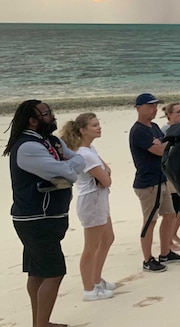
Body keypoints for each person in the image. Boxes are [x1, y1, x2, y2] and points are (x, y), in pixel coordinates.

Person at [3, 100, 86, 327]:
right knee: (54, 272)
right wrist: (71, 168)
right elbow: (66, 170)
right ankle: (41, 324)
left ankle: (40, 322)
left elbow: (77, 159)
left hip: (49, 217)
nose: (52, 116)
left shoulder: (51, 141)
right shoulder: (28, 147)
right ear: (32, 120)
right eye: (46, 113)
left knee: (37, 272)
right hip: (36, 219)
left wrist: (71, 167)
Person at [59, 113, 116, 301]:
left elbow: (106, 171)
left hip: (99, 199)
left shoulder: (90, 149)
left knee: (108, 238)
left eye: (98, 124)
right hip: (91, 201)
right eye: (94, 125)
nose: (99, 127)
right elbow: (106, 179)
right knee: (91, 246)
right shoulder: (83, 153)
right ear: (82, 130)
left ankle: (96, 279)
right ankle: (88, 289)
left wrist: (105, 173)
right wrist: (105, 174)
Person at [129, 93, 180, 273]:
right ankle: (148, 259)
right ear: (139, 108)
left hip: (161, 179)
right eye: (150, 106)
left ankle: (165, 253)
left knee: (169, 215)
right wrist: (162, 146)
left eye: (155, 106)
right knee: (150, 221)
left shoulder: (154, 126)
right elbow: (161, 150)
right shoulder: (138, 130)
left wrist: (162, 145)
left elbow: (164, 145)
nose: (154, 109)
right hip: (148, 182)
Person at [161, 102, 180, 250]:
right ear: (169, 114)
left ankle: (174, 232)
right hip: (171, 172)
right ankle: (169, 240)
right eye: (178, 112)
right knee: (174, 206)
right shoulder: (165, 130)